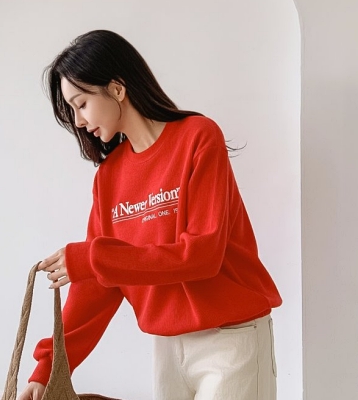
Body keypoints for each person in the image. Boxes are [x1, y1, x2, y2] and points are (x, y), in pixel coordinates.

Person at [18, 29, 282, 400]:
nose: (77, 120)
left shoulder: (197, 137)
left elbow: (202, 255)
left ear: (116, 88)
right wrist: (48, 369)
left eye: (81, 103)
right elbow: (96, 287)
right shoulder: (109, 176)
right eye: (72, 110)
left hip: (231, 341)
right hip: (166, 348)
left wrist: (93, 258)